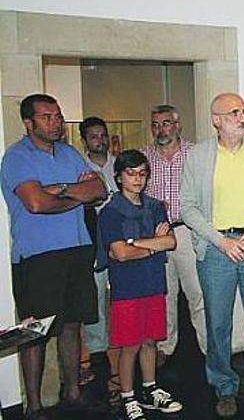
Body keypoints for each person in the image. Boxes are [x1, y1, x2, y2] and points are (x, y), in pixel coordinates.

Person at [1, 94, 107, 419]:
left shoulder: (69, 152)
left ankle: (73, 393)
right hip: (37, 257)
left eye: (58, 116)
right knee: (35, 332)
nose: (56, 122)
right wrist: (75, 192)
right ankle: (33, 406)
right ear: (28, 123)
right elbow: (35, 203)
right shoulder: (16, 157)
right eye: (47, 117)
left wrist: (57, 191)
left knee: (72, 325)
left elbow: (99, 189)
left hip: (76, 251)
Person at [180, 93, 244, 418]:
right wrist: (220, 241)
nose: (243, 117)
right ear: (216, 120)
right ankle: (225, 387)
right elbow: (187, 208)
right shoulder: (198, 157)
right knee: (218, 323)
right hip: (215, 249)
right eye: (235, 112)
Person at [96, 149, 183, 420]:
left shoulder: (155, 206)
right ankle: (127, 396)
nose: (138, 179)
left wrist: (135, 243)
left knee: (150, 341)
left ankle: (149, 389)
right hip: (127, 288)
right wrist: (151, 245)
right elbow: (119, 254)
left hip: (153, 283)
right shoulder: (110, 212)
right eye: (131, 174)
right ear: (119, 177)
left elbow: (171, 242)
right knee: (129, 345)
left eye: (142, 173)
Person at [143, 104, 207, 363]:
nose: (161, 129)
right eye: (156, 124)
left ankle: (208, 349)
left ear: (178, 125)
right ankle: (164, 348)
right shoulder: (143, 157)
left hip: (186, 232)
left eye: (166, 123)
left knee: (198, 293)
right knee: (163, 293)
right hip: (157, 235)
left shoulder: (196, 154)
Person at [79, 116, 117, 384]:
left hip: (123, 239)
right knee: (95, 297)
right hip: (93, 240)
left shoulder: (121, 164)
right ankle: (97, 351)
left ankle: (130, 343)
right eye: (94, 136)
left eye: (103, 135)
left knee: (125, 293)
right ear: (84, 140)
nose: (99, 140)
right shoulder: (79, 168)